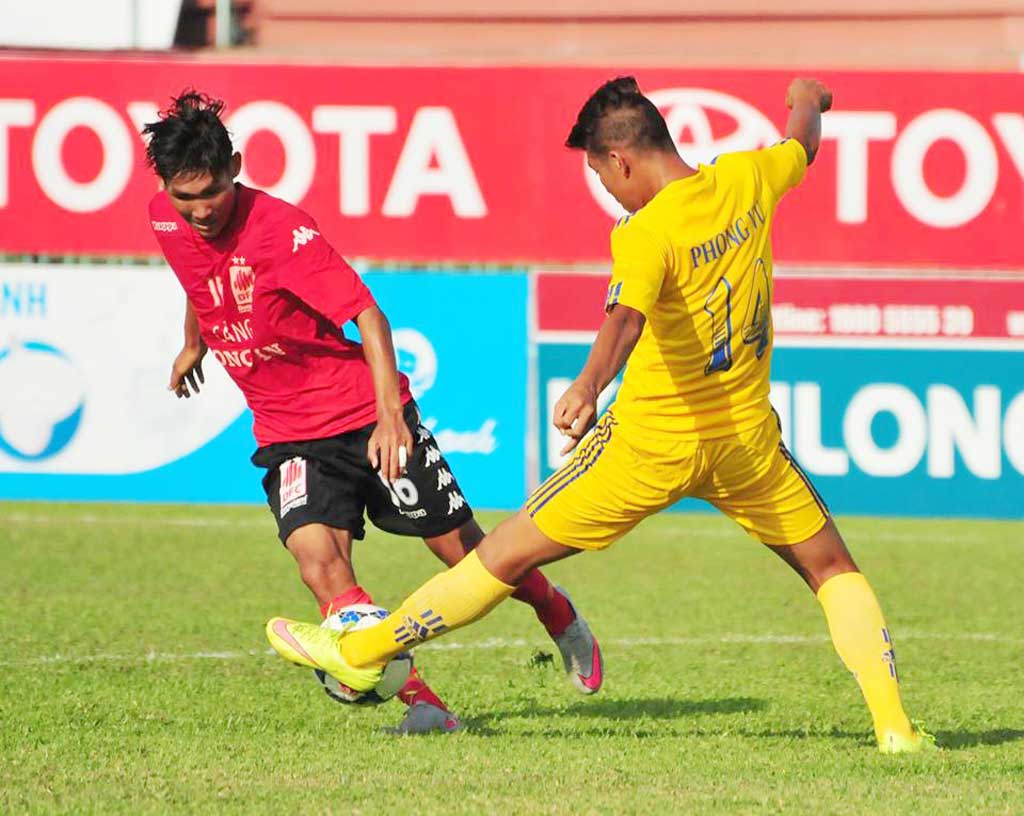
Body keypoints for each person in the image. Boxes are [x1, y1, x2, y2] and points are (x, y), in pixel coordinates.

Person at [265, 76, 935, 754]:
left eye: (601, 176)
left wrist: (587, 385)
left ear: (621, 160)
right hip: (744, 444)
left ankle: (363, 650)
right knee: (832, 569)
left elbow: (626, 319)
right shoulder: (747, 177)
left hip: (648, 447)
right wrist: (808, 100)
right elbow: (802, 145)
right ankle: (895, 727)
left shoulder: (647, 232)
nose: (610, 192)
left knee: (501, 556)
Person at [143, 91, 603, 735]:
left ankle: (556, 611)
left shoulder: (281, 231)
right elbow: (198, 278)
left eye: (211, 193)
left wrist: (390, 418)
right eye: (183, 197)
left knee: (468, 558)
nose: (199, 211)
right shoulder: (166, 220)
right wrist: (194, 340)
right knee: (318, 566)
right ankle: (425, 705)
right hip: (288, 435)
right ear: (164, 187)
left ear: (236, 168)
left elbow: (368, 314)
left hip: (364, 414)